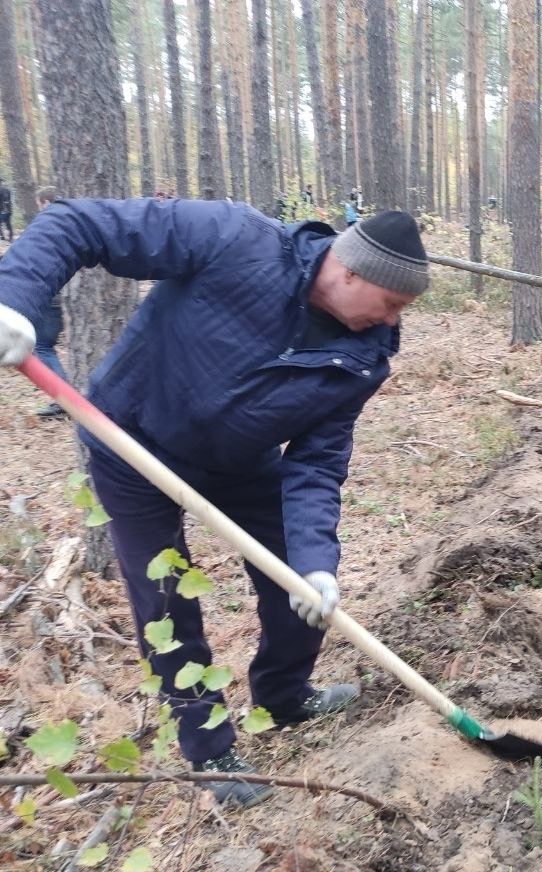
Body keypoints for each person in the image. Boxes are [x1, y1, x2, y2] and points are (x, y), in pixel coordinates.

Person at [0, 199, 429, 808]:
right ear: (351, 271)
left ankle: (284, 696)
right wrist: (15, 297)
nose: (393, 321)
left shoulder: (361, 360)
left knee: (294, 582)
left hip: (236, 460)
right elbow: (79, 223)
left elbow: (316, 463)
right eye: (392, 303)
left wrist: (314, 563)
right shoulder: (237, 241)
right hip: (130, 441)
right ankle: (209, 750)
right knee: (165, 597)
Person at [29, 186, 70, 417]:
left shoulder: (47, 228)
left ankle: (63, 401)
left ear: (45, 202)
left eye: (39, 204)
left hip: (51, 297)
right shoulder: (68, 225)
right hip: (59, 296)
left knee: (43, 347)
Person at [0, 177, 12, 241]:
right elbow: (9, 199)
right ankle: (10, 238)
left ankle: (2, 237)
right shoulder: (7, 190)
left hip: (1, 210)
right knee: (8, 224)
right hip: (8, 210)